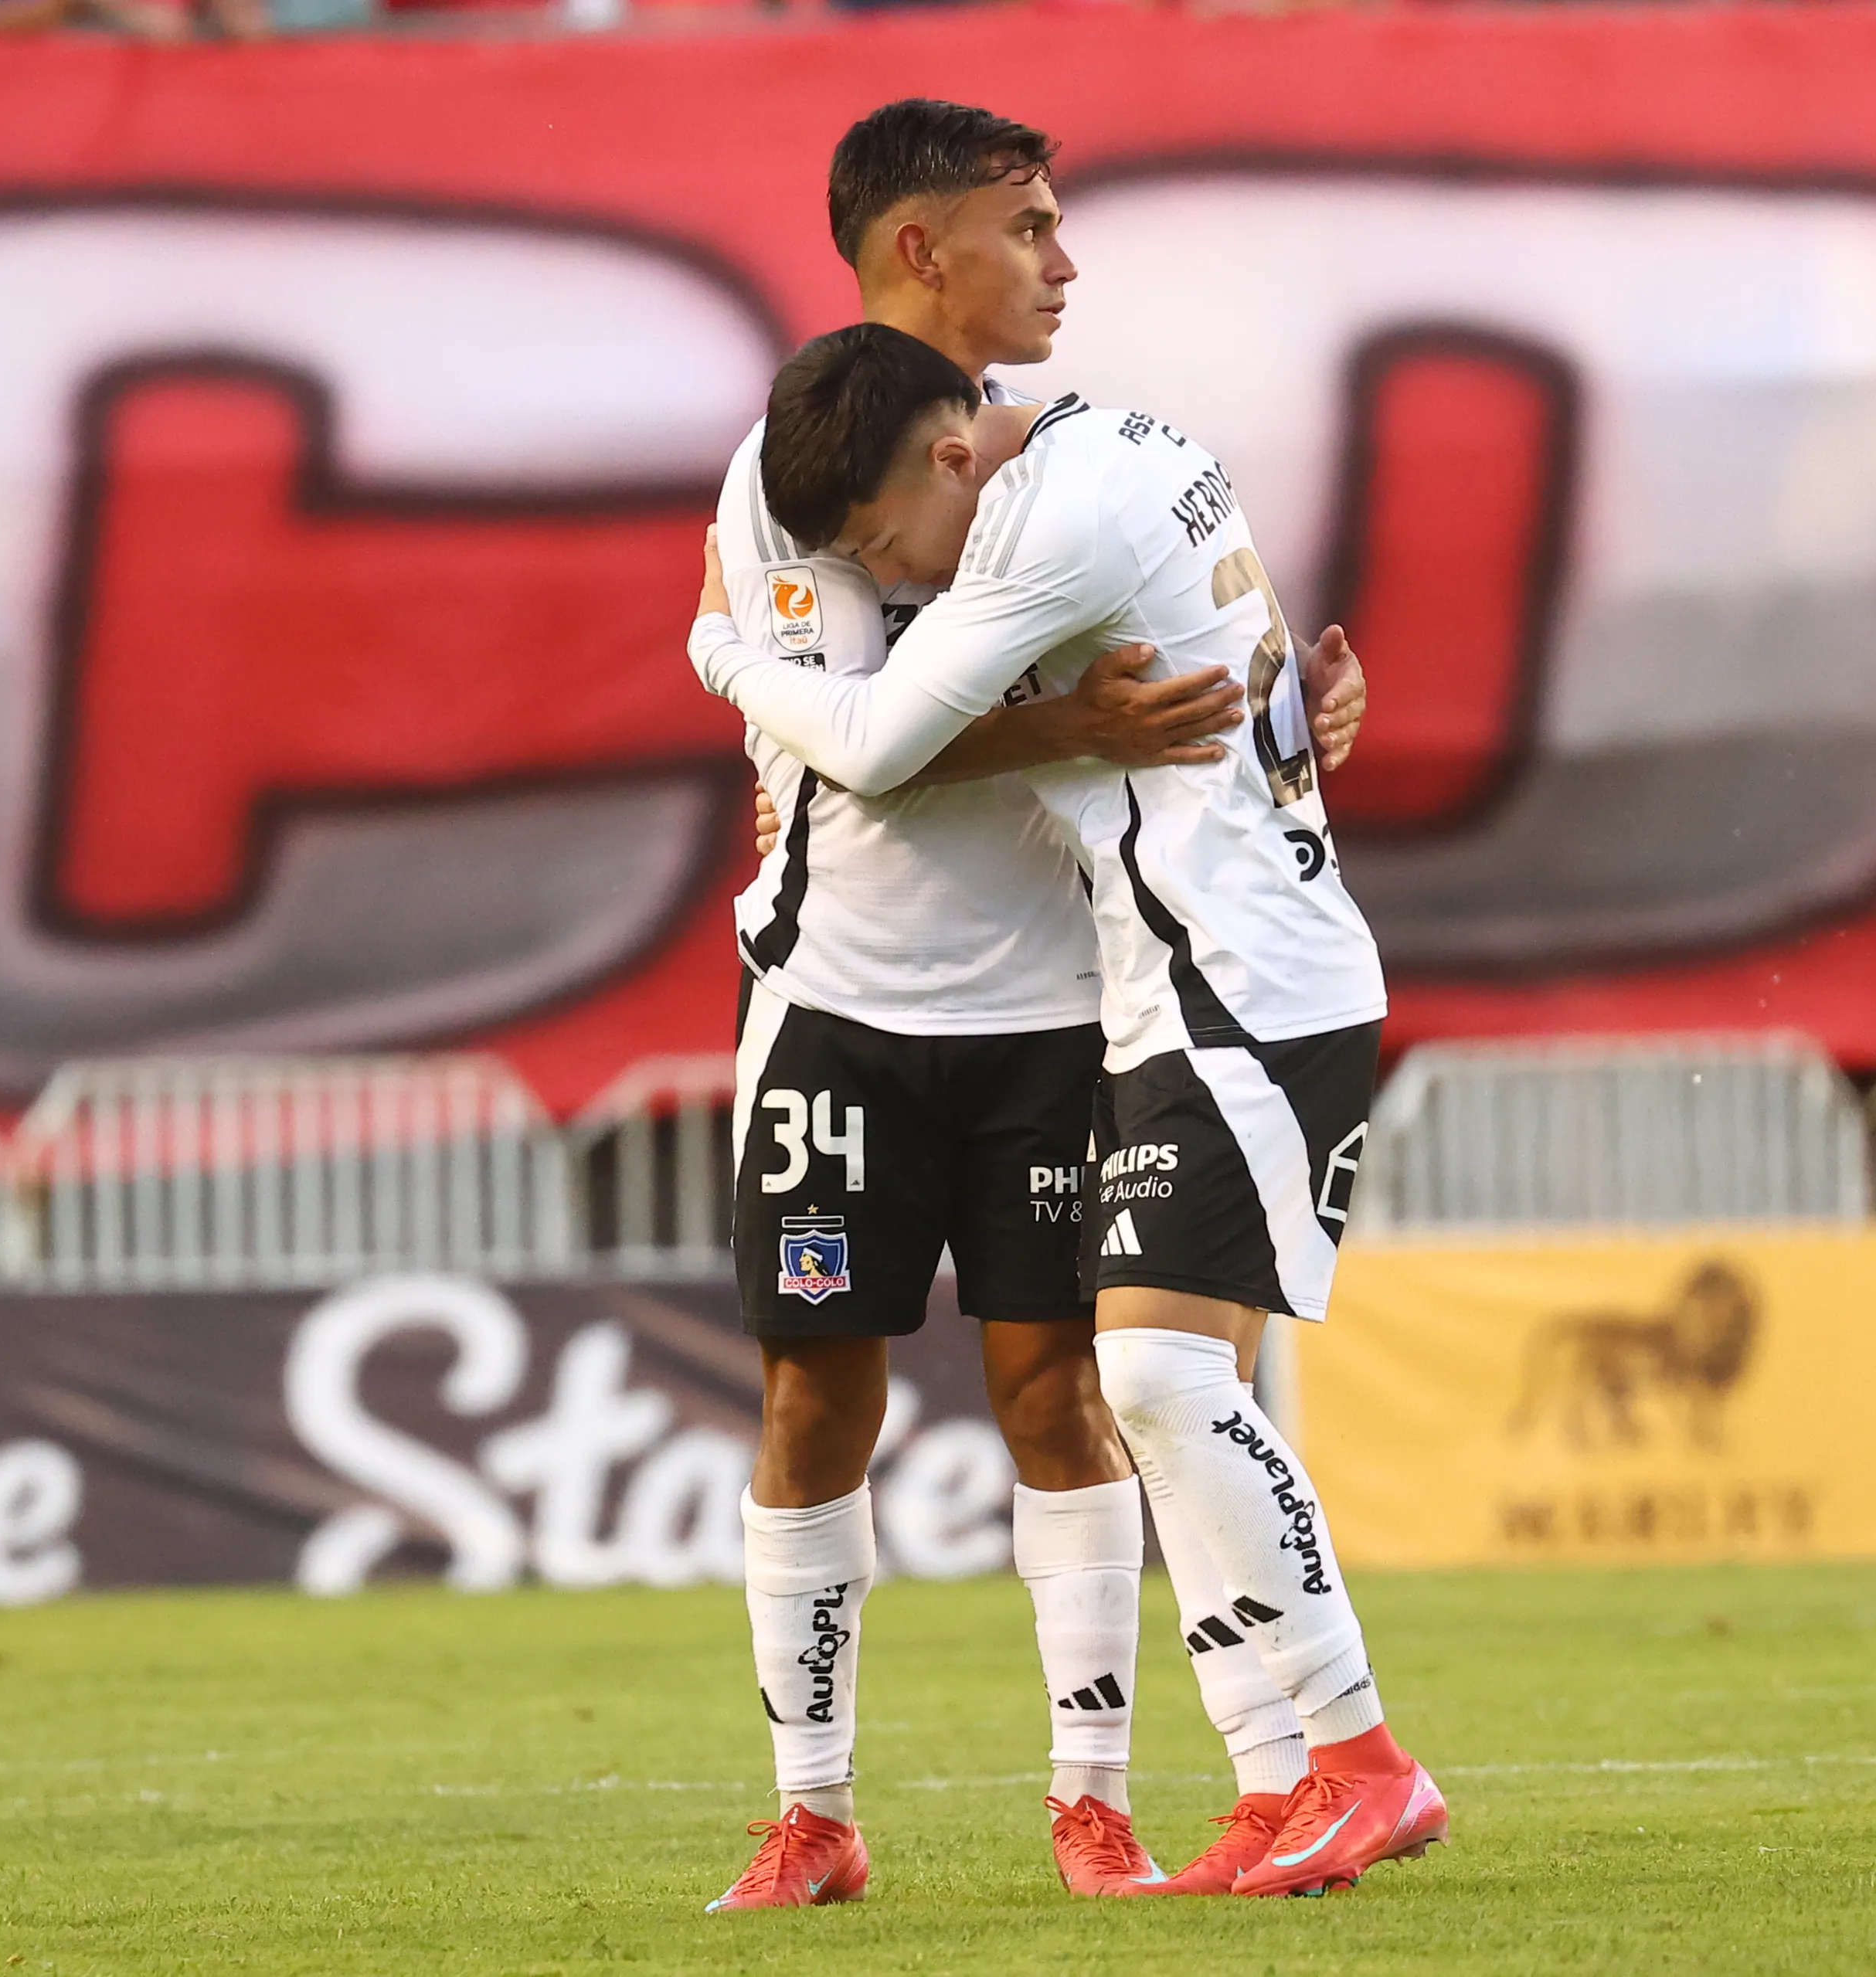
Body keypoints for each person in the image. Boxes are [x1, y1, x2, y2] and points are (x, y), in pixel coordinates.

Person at [700, 102, 1364, 1911]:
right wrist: (1077, 725)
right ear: (924, 249)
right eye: (1029, 228)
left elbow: (1141, 674)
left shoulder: (1059, 464)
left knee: (1063, 1389)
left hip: (1060, 1007)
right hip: (836, 1005)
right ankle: (812, 1810)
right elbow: (854, 747)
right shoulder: (802, 457)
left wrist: (1269, 729)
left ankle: (1093, 1800)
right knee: (812, 1392)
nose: (1064, 263)